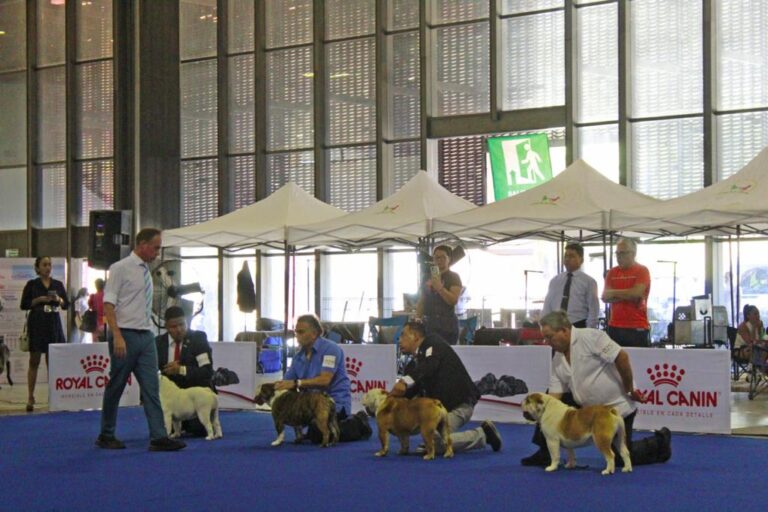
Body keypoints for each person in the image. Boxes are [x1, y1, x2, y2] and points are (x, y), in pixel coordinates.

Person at [521, 311, 671, 467]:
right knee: (547, 402)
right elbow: (554, 396)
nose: (547, 342)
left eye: (550, 337)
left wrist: (629, 390)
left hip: (616, 407)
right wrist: (538, 414)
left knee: (622, 457)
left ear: (564, 330)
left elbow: (622, 357)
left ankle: (660, 442)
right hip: (587, 410)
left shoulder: (591, 337)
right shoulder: (557, 360)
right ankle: (545, 452)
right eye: (545, 338)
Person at [95, 228, 185, 452]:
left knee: (152, 388)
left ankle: (158, 436)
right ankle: (106, 434)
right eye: (155, 247)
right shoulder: (120, 269)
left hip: (146, 336)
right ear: (142, 244)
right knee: (116, 386)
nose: (157, 252)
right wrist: (116, 335)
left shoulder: (147, 270)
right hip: (124, 334)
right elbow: (108, 305)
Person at [389, 319, 502, 454]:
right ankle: (431, 441)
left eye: (403, 335)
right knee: (401, 424)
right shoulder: (413, 366)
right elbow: (408, 394)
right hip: (436, 412)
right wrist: (385, 402)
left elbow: (428, 367)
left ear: (415, 336)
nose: (399, 340)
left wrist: (404, 381)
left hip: (460, 406)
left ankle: (483, 435)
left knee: (433, 441)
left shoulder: (433, 344)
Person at [273, 314, 371, 443]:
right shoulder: (298, 357)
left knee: (319, 433)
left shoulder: (331, 349)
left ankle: (359, 422)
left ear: (314, 334)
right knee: (315, 432)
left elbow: (325, 380)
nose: (296, 335)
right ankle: (313, 430)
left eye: (301, 332)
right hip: (310, 406)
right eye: (296, 331)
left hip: (334, 402)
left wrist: (297, 383)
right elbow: (286, 383)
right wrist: (270, 389)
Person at [155, 305, 214, 437]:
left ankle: (187, 424)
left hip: (194, 398)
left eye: (182, 324)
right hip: (169, 400)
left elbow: (207, 372)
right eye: (173, 327)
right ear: (166, 327)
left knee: (199, 429)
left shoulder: (198, 339)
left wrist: (181, 370)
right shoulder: (158, 343)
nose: (179, 329)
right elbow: (153, 374)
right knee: (158, 431)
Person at [20, 256, 69, 412]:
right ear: (37, 268)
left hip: (53, 323)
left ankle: (54, 396)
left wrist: (59, 299)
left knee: (53, 363)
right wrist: (38, 300)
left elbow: (66, 305)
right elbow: (24, 305)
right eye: (44, 265)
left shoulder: (58, 284)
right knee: (34, 361)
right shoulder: (31, 284)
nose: (48, 267)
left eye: (50, 265)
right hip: (37, 323)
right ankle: (30, 396)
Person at [602, 237, 651, 347]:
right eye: (617, 253)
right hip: (614, 326)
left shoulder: (642, 270)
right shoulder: (612, 272)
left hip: (636, 326)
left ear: (633, 253)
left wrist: (614, 294)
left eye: (623, 253)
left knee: (638, 362)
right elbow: (605, 297)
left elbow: (636, 293)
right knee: (615, 362)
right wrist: (628, 294)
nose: (619, 257)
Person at [542, 243, 600, 328]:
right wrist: (545, 326)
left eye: (572, 256)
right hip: (557, 325)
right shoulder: (555, 281)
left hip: (578, 324)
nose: (567, 259)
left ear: (581, 260)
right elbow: (547, 305)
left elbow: (593, 310)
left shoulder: (589, 282)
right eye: (566, 256)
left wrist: (589, 331)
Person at [416, 245, 462, 345]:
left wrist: (440, 288)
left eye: (443, 257)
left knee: (446, 356)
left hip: (447, 326)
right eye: (436, 257)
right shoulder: (426, 277)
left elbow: (453, 300)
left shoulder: (454, 277)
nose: (439, 260)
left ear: (449, 259)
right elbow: (422, 300)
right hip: (428, 325)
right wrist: (417, 320)